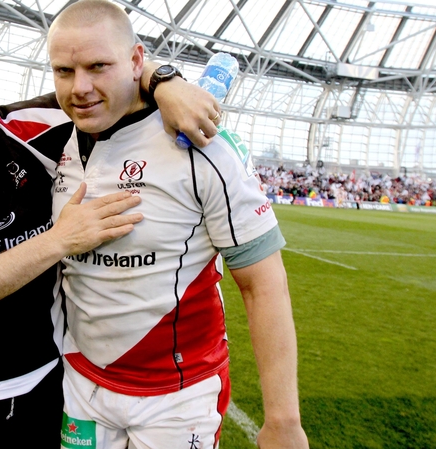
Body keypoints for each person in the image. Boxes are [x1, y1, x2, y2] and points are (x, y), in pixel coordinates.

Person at [0, 21, 220, 449]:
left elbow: (111, 81)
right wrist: (60, 239)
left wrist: (166, 83)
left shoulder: (34, 124)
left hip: (51, 381)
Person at [46, 1, 309, 448]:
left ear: (135, 61)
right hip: (81, 384)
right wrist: (164, 80)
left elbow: (263, 283)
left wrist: (283, 420)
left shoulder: (204, 145)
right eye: (64, 72)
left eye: (98, 66)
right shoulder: (51, 133)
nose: (81, 88)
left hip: (178, 395)